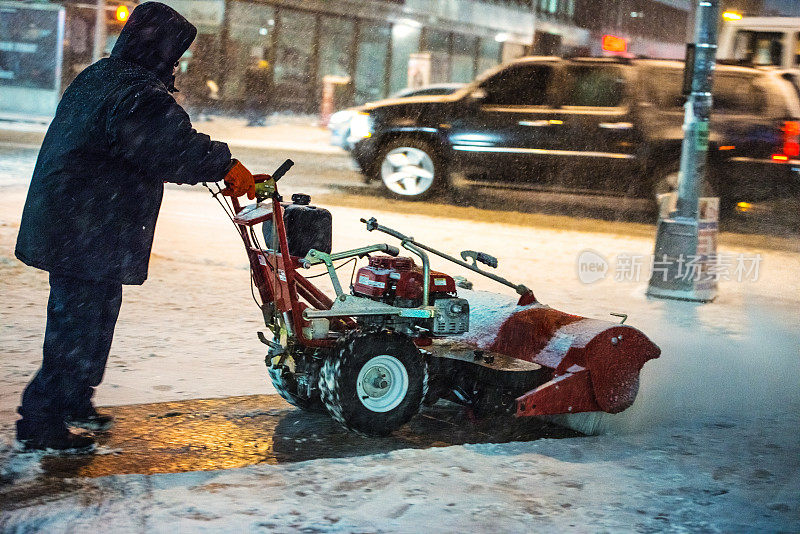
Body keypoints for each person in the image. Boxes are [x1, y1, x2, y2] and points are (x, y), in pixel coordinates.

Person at [14, 2, 257, 452]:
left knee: (92, 316)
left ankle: (72, 398)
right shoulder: (136, 92)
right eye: (176, 53)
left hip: (81, 224)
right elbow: (168, 146)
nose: (179, 63)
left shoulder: (105, 76)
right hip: (85, 227)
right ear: (158, 49)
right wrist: (226, 164)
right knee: (80, 323)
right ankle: (40, 420)